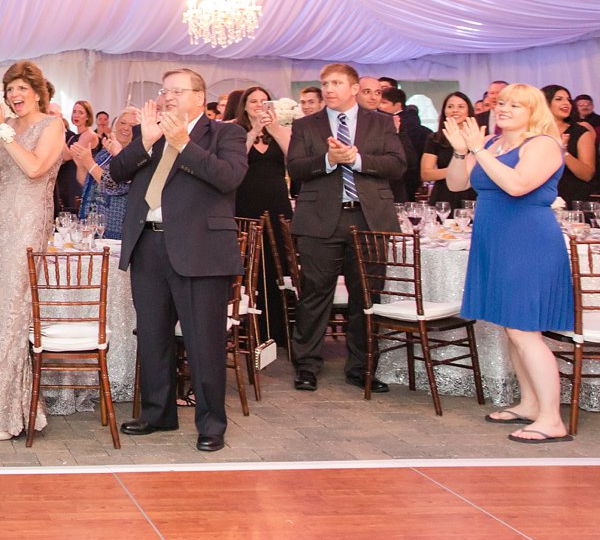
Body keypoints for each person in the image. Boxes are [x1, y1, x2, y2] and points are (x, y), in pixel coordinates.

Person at [111, 69, 248, 453]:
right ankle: (158, 413)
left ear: (199, 97)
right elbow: (117, 174)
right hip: (148, 246)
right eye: (164, 90)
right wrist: (147, 142)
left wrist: (183, 143)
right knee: (152, 336)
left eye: (176, 91)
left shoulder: (225, 134)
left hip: (200, 250)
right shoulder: (148, 132)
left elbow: (229, 178)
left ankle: (211, 424)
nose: (168, 97)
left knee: (203, 342)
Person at [442, 85, 574, 443]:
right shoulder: (495, 145)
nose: (504, 109)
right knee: (510, 329)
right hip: (495, 241)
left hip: (528, 241)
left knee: (524, 330)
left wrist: (479, 150)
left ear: (534, 111)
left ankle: (551, 419)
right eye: (501, 103)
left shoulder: (543, 144)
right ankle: (531, 404)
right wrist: (460, 153)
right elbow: (457, 184)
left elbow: (517, 186)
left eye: (516, 104)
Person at [285, 63, 406, 394]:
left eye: (336, 82)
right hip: (320, 219)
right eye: (325, 83)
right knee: (314, 295)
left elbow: (397, 165)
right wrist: (328, 161)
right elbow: (294, 167)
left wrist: (356, 160)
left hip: (369, 219)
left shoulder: (380, 123)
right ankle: (306, 365)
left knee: (367, 296)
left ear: (354, 88)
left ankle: (363, 366)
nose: (329, 88)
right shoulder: (306, 125)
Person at [0, 60, 66, 441]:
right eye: (10, 90)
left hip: (26, 223)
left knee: (10, 312)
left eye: (21, 89)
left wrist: (4, 135)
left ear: (38, 92)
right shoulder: (4, 130)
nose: (14, 95)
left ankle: (8, 417)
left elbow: (36, 169)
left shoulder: (51, 125)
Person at [233, 85, 293, 349]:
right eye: (254, 101)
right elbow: (235, 162)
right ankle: (247, 328)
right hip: (245, 204)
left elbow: (295, 159)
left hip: (276, 202)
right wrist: (254, 131)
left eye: (264, 101)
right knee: (249, 267)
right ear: (244, 105)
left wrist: (275, 129)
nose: (259, 105)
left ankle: (277, 329)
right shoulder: (234, 131)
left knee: (276, 265)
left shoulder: (280, 130)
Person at [542, 84, 600, 204]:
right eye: (559, 99)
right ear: (545, 103)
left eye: (568, 99)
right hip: (539, 198)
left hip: (572, 199)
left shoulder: (579, 132)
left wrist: (563, 152)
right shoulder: (533, 132)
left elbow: (587, 174)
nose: (566, 103)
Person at [75, 113, 133, 239]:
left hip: (114, 227)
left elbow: (116, 186)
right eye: (123, 123)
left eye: (132, 125)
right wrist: (81, 164)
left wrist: (89, 163)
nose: (126, 128)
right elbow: (86, 184)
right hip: (92, 222)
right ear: (115, 126)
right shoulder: (105, 152)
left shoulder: (135, 156)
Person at [420, 92, 478, 208]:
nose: (455, 110)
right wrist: (457, 170)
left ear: (468, 111)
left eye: (461, 107)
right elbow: (426, 174)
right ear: (444, 111)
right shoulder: (435, 139)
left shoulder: (478, 137)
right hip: (444, 196)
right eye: (450, 106)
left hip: (473, 195)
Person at [54, 99, 94, 214]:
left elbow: (68, 156)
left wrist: (59, 130)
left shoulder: (89, 135)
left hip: (77, 181)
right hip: (67, 179)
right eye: (74, 111)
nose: (76, 115)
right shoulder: (73, 137)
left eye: (81, 112)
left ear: (87, 116)